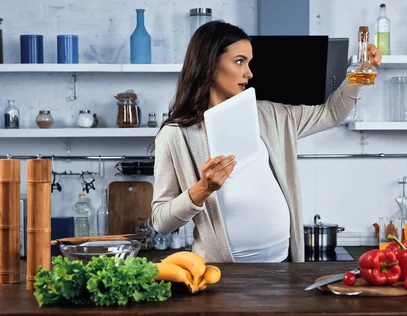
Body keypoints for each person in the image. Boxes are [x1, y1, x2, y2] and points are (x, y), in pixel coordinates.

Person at [151, 20, 382, 263]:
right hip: (222, 276)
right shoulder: (176, 135)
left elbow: (332, 113)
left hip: (284, 269)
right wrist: (202, 189)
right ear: (209, 62)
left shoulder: (270, 115)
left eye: (249, 63)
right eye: (239, 61)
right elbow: (161, 222)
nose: (249, 73)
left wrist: (360, 73)